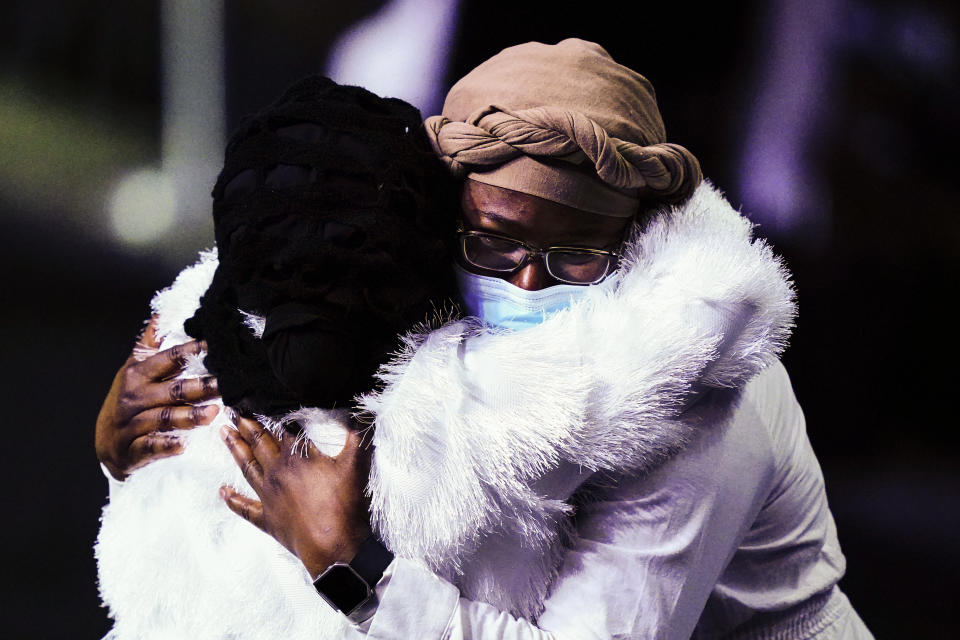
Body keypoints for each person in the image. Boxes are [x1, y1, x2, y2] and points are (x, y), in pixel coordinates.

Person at [208, 39, 875, 639]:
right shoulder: (427, 274)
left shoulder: (705, 389)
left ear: (632, 236)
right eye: (496, 243)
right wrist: (129, 433)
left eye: (576, 255)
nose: (526, 283)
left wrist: (352, 573)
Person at [95, 76, 457, 639]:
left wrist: (358, 571)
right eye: (277, 272)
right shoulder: (199, 350)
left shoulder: (481, 396)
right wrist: (130, 463)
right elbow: (166, 558)